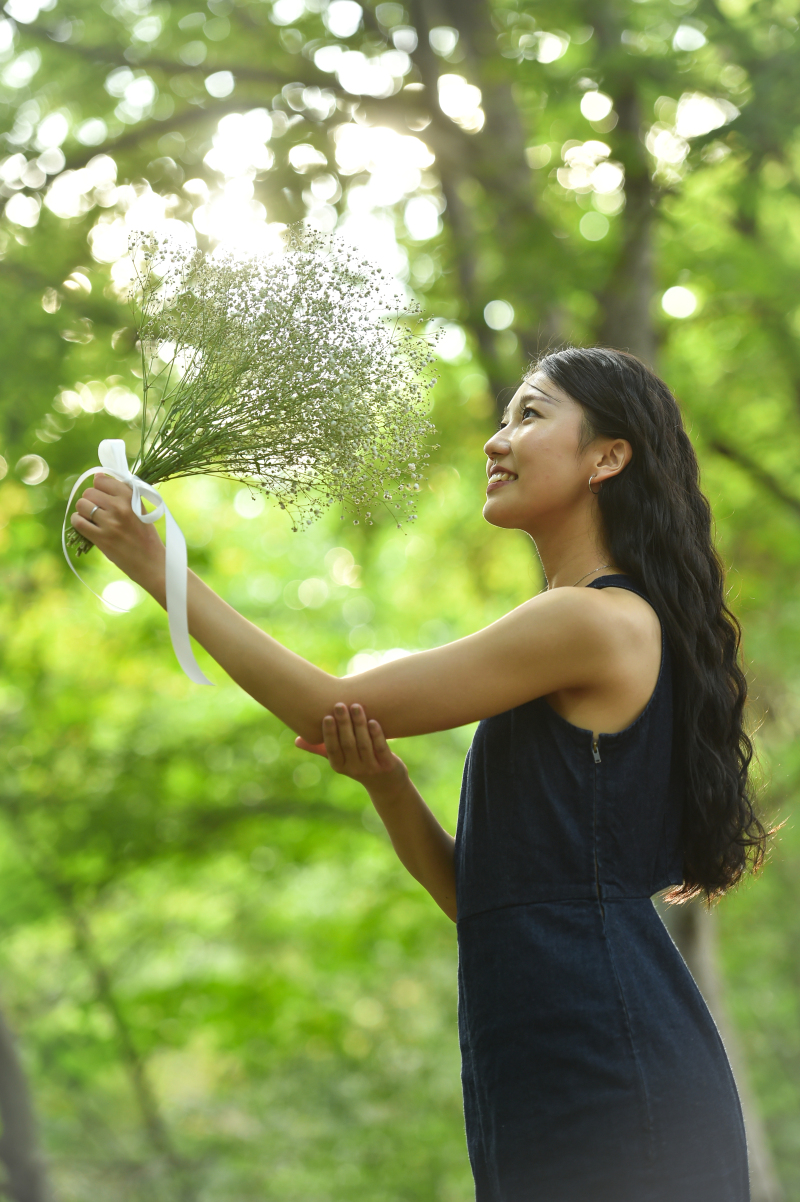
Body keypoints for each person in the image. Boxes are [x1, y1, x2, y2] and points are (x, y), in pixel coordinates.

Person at [71, 346, 767, 1201]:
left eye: (530, 415)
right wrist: (389, 786)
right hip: (534, 1054)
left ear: (607, 457)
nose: (496, 440)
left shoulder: (592, 622)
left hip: (609, 1060)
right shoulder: (573, 628)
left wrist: (157, 567)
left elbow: (324, 704)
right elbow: (487, 901)